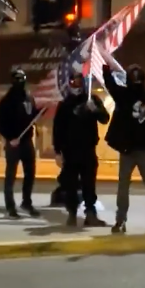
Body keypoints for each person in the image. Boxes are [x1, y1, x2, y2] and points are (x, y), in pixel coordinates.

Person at [102, 63, 145, 233]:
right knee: (141, 183)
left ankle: (124, 220)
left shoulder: (142, 96)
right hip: (131, 148)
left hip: (138, 148)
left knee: (132, 183)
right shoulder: (139, 95)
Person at [52, 72, 109, 227]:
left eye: (78, 81)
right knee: (70, 185)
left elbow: (105, 118)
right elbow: (57, 129)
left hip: (88, 150)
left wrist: (95, 110)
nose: (76, 84)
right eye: (73, 81)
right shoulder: (65, 104)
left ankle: (90, 214)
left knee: (89, 184)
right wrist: (57, 151)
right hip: (70, 152)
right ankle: (71, 214)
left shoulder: (92, 99)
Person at [0, 69, 41, 218]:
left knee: (30, 173)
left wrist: (39, 112)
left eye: (22, 79)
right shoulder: (7, 100)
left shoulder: (28, 98)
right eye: (17, 79)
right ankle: (10, 207)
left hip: (27, 141)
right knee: (10, 175)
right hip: (13, 142)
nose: (20, 82)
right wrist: (9, 137)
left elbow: (31, 115)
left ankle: (26, 202)